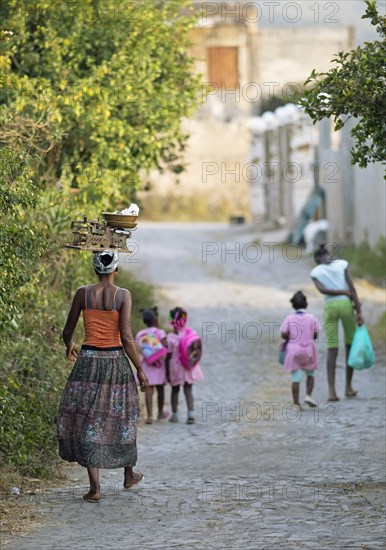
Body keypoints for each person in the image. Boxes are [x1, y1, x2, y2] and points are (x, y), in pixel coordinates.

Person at [57, 250, 148, 503]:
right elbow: (127, 337)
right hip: (115, 363)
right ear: (115, 270)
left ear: (95, 270)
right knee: (123, 416)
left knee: (88, 417)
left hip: (86, 362)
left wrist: (70, 345)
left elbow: (67, 330)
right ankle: (128, 474)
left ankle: (95, 488)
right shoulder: (123, 296)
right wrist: (139, 368)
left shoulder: (82, 293)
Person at [310, 244, 364, 401]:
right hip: (346, 306)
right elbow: (352, 288)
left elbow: (322, 291)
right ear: (329, 256)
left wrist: (342, 292)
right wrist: (359, 311)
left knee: (332, 349)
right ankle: (348, 387)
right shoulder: (342, 264)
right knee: (349, 346)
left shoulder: (315, 272)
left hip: (330, 308)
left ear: (317, 261)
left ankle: (331, 391)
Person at [280, 291, 320, 409]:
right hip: (308, 349)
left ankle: (296, 403)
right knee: (310, 374)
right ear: (306, 304)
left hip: (293, 350)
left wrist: (289, 338)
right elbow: (315, 335)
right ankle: (308, 395)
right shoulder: (311, 318)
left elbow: (283, 333)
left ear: (293, 306)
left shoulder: (289, 318)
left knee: (295, 378)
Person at [166, 307, 204, 424]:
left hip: (176, 367)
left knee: (175, 390)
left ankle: (174, 415)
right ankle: (191, 414)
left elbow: (168, 354)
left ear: (172, 321)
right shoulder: (191, 333)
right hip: (188, 366)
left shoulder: (171, 337)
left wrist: (167, 371)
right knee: (188, 390)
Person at [135, 307, 169, 424]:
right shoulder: (160, 332)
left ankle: (149, 416)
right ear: (156, 320)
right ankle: (160, 413)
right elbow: (165, 345)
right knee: (160, 389)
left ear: (144, 321)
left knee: (149, 390)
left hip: (146, 364)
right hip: (159, 365)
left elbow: (138, 348)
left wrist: (148, 353)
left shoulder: (140, 333)